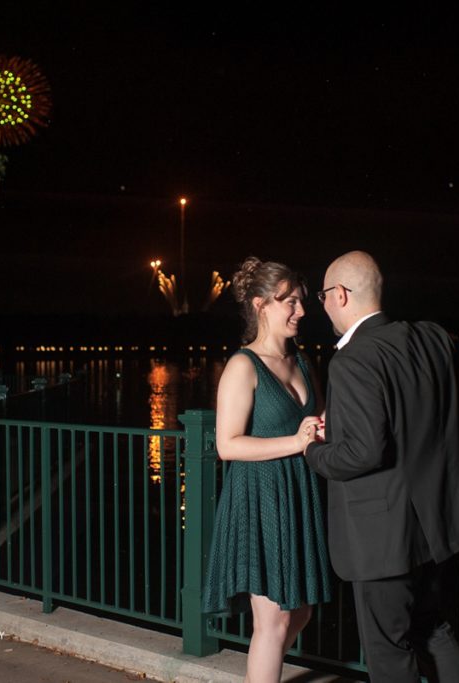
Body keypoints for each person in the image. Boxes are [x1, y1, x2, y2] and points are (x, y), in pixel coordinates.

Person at [303, 251, 459, 683]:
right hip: (438, 528)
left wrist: (313, 449)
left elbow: (362, 454)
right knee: (433, 630)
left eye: (323, 295)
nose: (321, 304)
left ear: (341, 295)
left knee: (388, 653)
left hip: (382, 541)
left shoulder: (352, 360)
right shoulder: (434, 338)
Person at [203, 257, 332, 683]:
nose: (301, 310)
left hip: (298, 493)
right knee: (273, 623)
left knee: (302, 610)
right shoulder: (242, 365)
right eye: (290, 302)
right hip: (259, 499)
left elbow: (308, 422)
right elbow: (227, 445)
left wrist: (323, 424)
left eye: (301, 301)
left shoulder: (302, 360)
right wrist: (295, 442)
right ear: (261, 305)